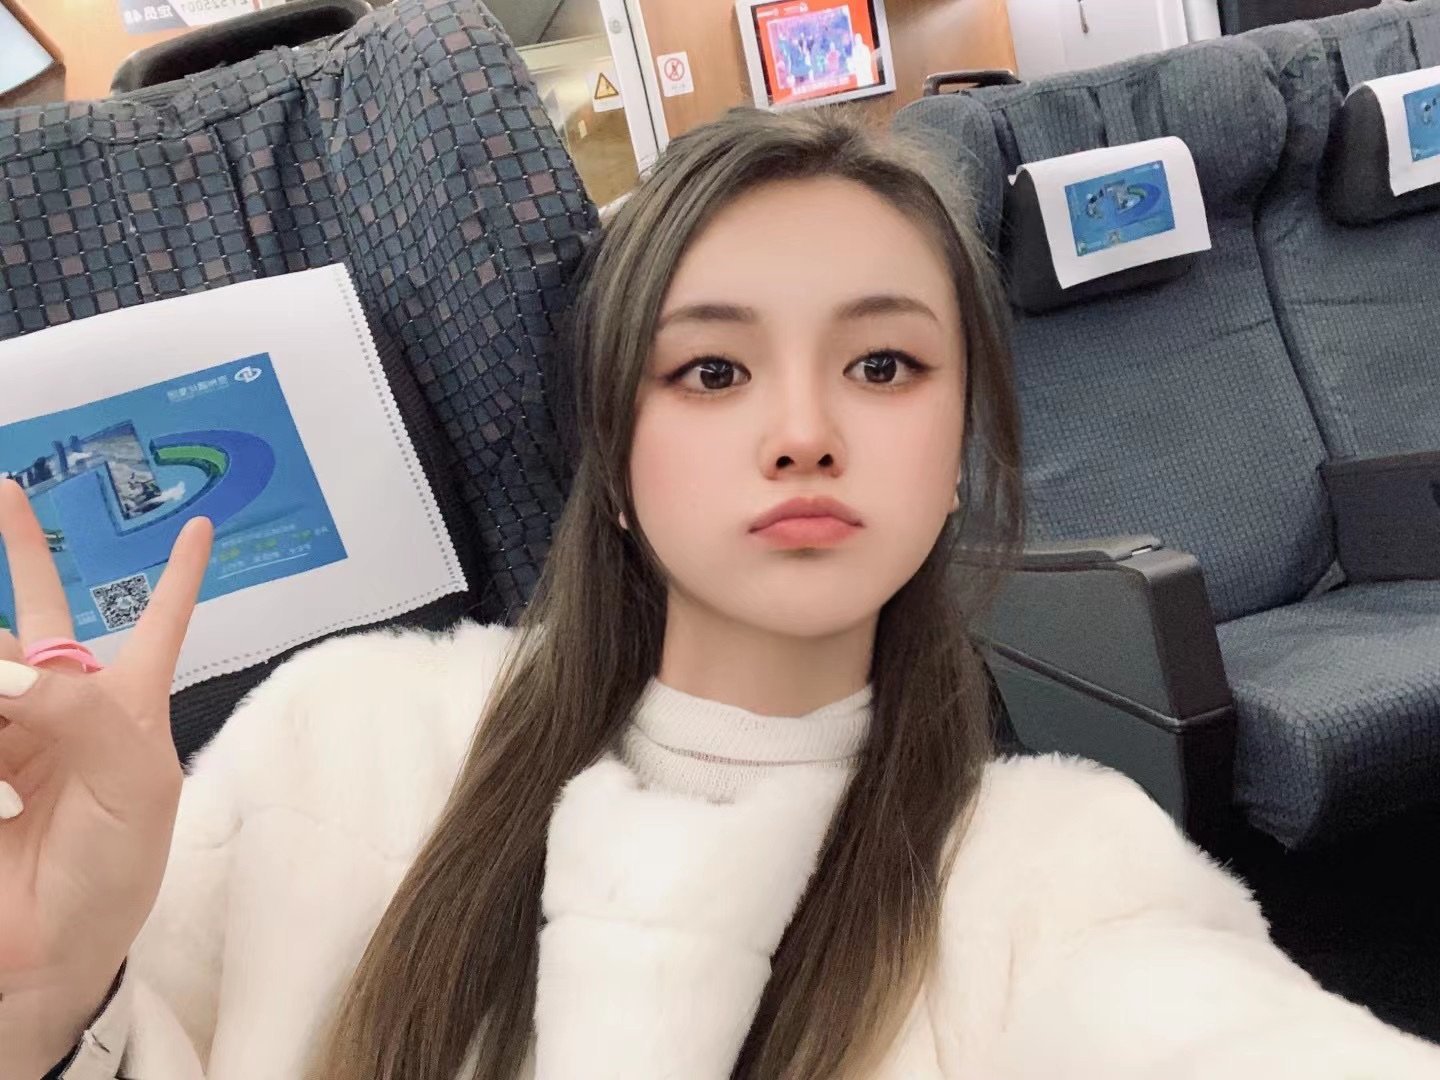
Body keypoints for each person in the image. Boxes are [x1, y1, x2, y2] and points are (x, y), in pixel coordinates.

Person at [3, 107, 1440, 1080]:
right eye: (712, 370)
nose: (803, 431)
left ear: (956, 459)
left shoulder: (1054, 874)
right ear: (618, 463)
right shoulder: (339, 742)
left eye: (882, 366)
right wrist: (48, 1012)